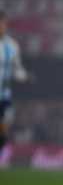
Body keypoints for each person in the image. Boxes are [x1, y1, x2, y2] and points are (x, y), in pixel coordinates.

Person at [0, 10, 30, 155]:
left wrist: (24, 76)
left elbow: (17, 69)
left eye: (3, 23)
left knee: (4, 131)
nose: (2, 26)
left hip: (4, 95)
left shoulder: (11, 45)